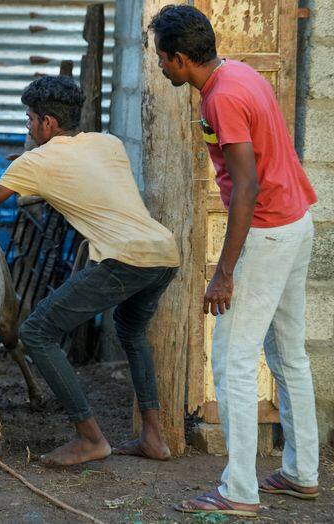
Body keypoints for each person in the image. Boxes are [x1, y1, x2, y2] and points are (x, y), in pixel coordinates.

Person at [0, 75, 180, 467]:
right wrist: (26, 169)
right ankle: (154, 439)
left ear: (48, 124)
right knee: (131, 331)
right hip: (163, 254)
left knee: (36, 332)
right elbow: (80, 178)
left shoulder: (38, 161)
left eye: (30, 119)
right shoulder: (108, 143)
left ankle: (90, 437)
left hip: (122, 259)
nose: (28, 126)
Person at [148, 5, 319, 517]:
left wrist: (223, 273)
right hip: (296, 223)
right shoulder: (239, 72)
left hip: (268, 233)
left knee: (232, 360)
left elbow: (247, 184)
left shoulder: (221, 98)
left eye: (162, 59)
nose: (160, 68)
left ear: (180, 59)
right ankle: (301, 472)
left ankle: (239, 490)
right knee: (289, 356)